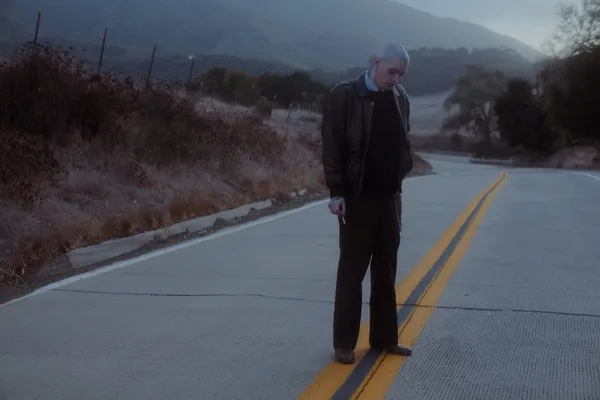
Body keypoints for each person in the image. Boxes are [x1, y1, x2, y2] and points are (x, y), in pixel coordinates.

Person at [321, 42, 414, 364]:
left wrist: (400, 177)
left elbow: (404, 140)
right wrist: (336, 192)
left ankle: (385, 339)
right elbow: (332, 146)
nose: (396, 79)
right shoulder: (344, 94)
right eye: (392, 71)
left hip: (390, 197)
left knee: (386, 271)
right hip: (357, 198)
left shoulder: (400, 97)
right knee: (352, 271)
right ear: (376, 62)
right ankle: (344, 343)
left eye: (401, 74)